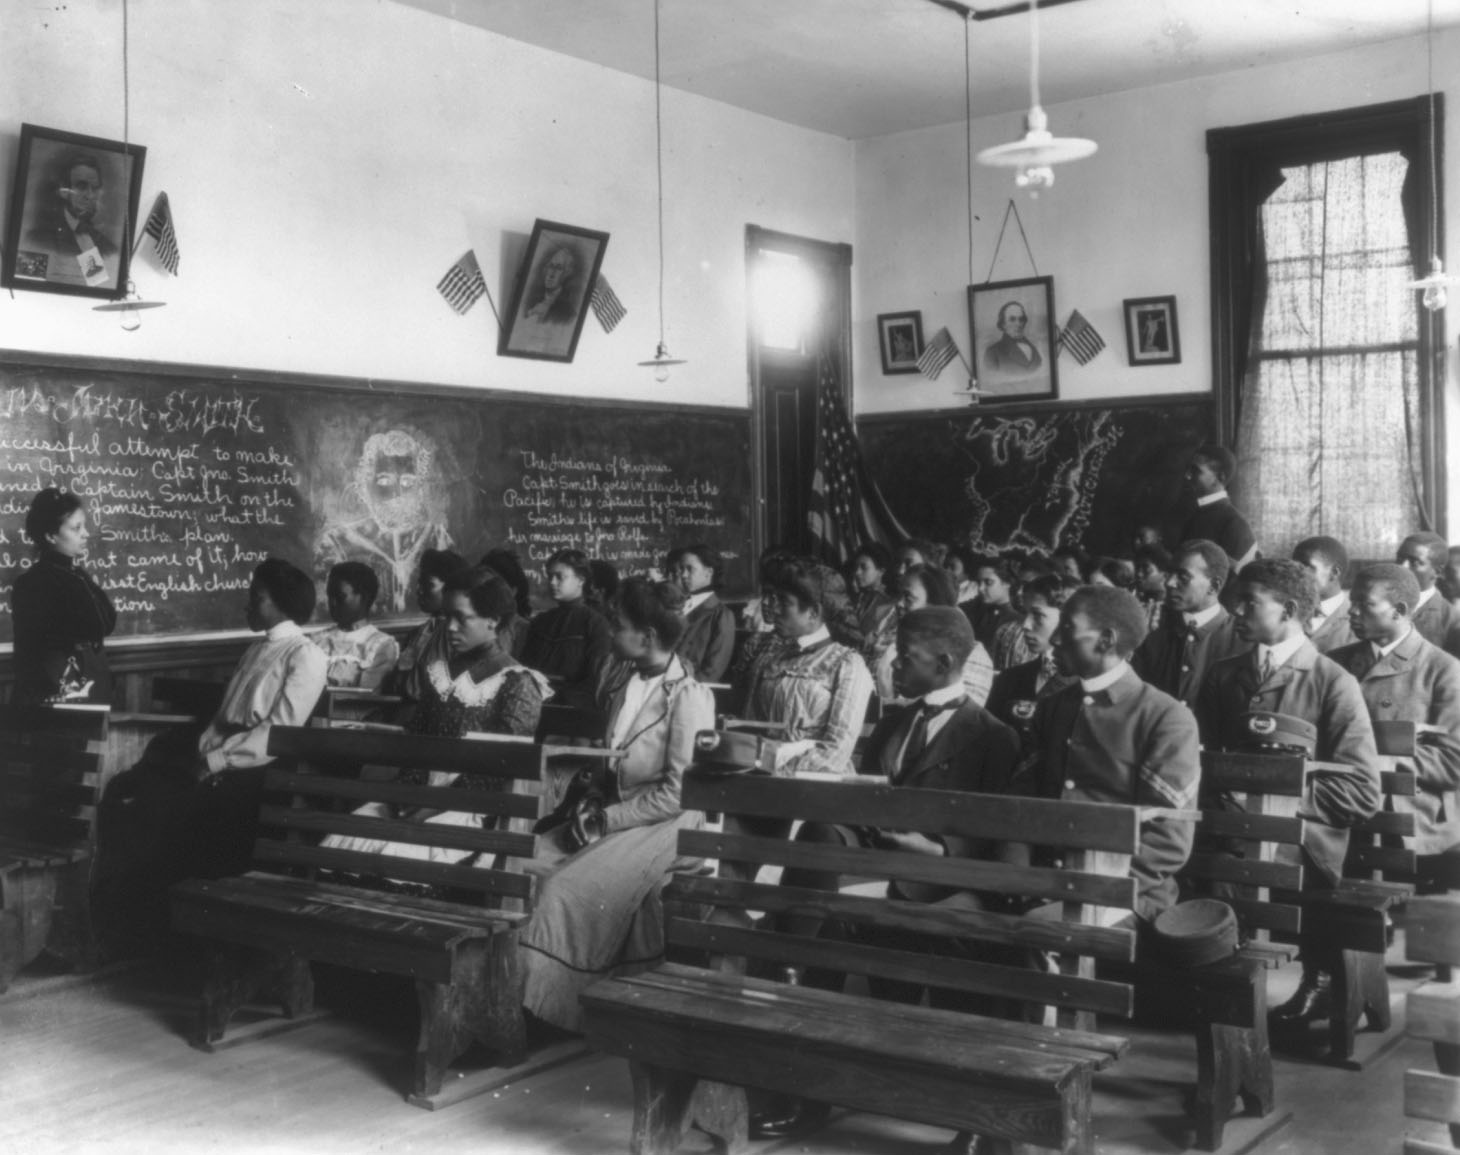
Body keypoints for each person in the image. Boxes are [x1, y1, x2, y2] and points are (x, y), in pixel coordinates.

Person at [748, 607, 1020, 1142]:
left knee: (834, 922)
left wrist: (934, 847)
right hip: (876, 867)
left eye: (906, 656)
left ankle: (796, 978)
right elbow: (871, 795)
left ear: (943, 662)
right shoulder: (896, 722)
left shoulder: (993, 737)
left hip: (940, 880)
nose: (891, 663)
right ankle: (797, 985)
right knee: (819, 847)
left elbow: (995, 831)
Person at [518, 578, 715, 1032]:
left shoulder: (687, 696)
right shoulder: (621, 683)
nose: (609, 631)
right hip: (611, 813)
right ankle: (514, 995)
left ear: (646, 637)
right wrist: (590, 798)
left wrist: (608, 819)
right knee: (521, 863)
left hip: (667, 825)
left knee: (561, 889)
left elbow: (678, 793)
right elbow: (611, 765)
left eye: (618, 624)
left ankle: (551, 1012)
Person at [1195, 559, 1381, 1029]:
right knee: (1195, 862)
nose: (1235, 609)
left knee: (1235, 867)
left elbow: (1361, 791)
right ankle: (1224, 986)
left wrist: (1271, 801)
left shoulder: (1332, 681)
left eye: (1250, 602)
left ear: (1290, 610)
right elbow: (1201, 762)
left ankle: (1312, 978)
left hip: (1304, 841)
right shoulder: (1222, 675)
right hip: (1228, 829)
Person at [320, 568, 548, 863]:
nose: (450, 627)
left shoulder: (517, 682)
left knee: (395, 855)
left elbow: (497, 769)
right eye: (446, 617)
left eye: (461, 618)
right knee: (343, 840)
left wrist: (432, 805)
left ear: (493, 620)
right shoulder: (438, 673)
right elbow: (418, 745)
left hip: (471, 807)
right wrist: (407, 796)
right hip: (419, 796)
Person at [1008, 585, 1201, 923]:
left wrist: (1087, 887)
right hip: (1044, 883)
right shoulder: (1053, 709)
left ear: (1106, 640)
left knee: (1039, 930)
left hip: (1127, 894)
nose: (1055, 640)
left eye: (1067, 628)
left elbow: (1168, 840)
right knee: (953, 920)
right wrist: (1020, 881)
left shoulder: (1164, 717)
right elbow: (1022, 803)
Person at [1329, 564, 1460, 896]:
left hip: (1410, 828)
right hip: (1342, 818)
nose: (1351, 611)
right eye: (1351, 601)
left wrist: (1379, 762)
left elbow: (1453, 762)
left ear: (1400, 610)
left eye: (1364, 603)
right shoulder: (1334, 664)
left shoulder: (1443, 671)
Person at [738, 555, 874, 777]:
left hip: (816, 785)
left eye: (784, 602)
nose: (774, 609)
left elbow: (836, 750)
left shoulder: (847, 664)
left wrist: (777, 774)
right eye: (774, 600)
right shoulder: (771, 657)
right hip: (761, 779)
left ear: (813, 612)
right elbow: (752, 726)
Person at [314, 427, 454, 613]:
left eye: (407, 483)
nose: (397, 494)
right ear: (364, 487)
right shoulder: (337, 542)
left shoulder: (437, 538)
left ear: (419, 490)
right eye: (385, 482)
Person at [11, 487, 117, 704]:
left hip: (80, 685)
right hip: (56, 694)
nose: (86, 534)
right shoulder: (37, 583)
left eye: (84, 526)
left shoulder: (74, 575)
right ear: (50, 535)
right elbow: (98, 626)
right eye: (76, 528)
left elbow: (106, 622)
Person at [1131, 539, 1245, 709]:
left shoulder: (1242, 639)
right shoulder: (1152, 631)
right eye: (1170, 574)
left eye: (1183, 577)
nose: (1169, 583)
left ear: (1213, 586)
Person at [876, 564, 994, 706]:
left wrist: (885, 700)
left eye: (908, 597)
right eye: (900, 596)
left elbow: (959, 717)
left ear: (937, 604)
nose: (899, 604)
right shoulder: (893, 643)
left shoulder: (972, 655)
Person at [985, 574, 1079, 752]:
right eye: (1025, 614)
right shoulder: (1009, 679)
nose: (1026, 624)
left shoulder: (1084, 684)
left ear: (1067, 620)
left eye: (1038, 615)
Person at [520, 548, 612, 709]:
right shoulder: (540, 622)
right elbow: (524, 668)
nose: (552, 582)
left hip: (572, 713)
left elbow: (596, 680)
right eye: (550, 576)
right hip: (532, 704)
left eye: (559, 577)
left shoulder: (596, 624)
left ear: (581, 580)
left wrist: (560, 699)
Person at [18, 151, 120, 289]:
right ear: (63, 191)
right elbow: (29, 279)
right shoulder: (38, 239)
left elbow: (97, 284)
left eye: (95, 188)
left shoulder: (106, 246)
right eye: (82, 186)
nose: (90, 195)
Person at [383, 548, 466, 712]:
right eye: (419, 583)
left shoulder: (457, 636)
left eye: (428, 584)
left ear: (451, 588)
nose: (419, 590)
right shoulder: (417, 633)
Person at [312, 561, 400, 690]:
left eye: (340, 596)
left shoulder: (381, 644)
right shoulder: (317, 640)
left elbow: (368, 689)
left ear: (363, 598)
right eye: (330, 596)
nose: (332, 603)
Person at [667, 543, 736, 682]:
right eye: (681, 569)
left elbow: (712, 671)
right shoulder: (675, 606)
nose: (683, 575)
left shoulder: (722, 615)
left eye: (689, 569)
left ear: (708, 572)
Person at [1180, 444, 1257, 569]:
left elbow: (1237, 579)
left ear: (1221, 477)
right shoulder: (1191, 511)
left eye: (1196, 471)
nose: (1187, 476)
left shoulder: (1234, 523)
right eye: (1188, 469)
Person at [510, 243, 585, 355]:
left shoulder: (567, 314)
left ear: (567, 274)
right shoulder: (530, 302)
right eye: (551, 266)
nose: (551, 274)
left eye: (559, 268)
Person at [1397, 532, 1460, 657]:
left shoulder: (1452, 621)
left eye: (1414, 562)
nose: (1402, 567)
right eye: (1400, 559)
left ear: (1437, 572)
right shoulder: (1378, 603)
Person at [1294, 535, 1355, 653]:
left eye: (1306, 567)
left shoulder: (1357, 620)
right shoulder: (1285, 613)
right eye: (1294, 567)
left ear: (1334, 572)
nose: (1296, 574)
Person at [849, 542, 899, 665]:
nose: (857, 572)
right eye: (856, 568)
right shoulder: (855, 598)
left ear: (880, 571)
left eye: (864, 568)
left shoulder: (888, 604)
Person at [481, 547, 533, 656]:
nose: (484, 592)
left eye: (492, 586)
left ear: (512, 591)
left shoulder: (522, 629)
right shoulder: (471, 622)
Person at [964, 558, 1020, 654]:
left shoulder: (1016, 623)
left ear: (1007, 583)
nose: (981, 588)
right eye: (979, 582)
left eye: (988, 582)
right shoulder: (969, 611)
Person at [982, 301, 1042, 376]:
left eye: (1021, 319)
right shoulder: (992, 353)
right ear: (1003, 324)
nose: (1018, 324)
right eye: (1012, 319)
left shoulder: (1033, 348)